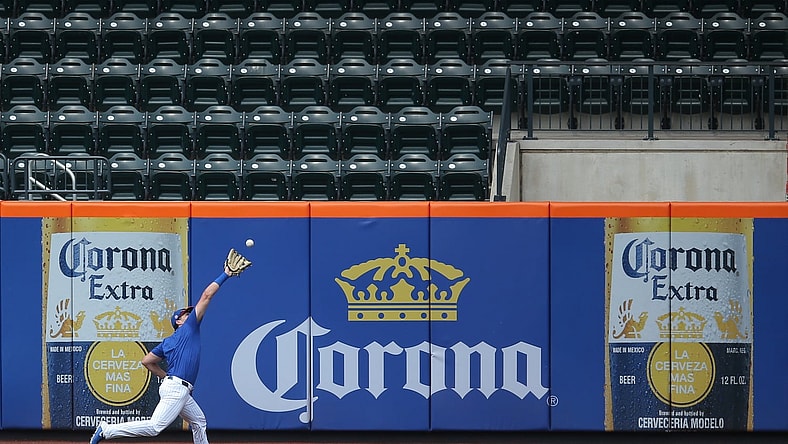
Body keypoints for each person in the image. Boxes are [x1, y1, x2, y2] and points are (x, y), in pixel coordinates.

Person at [90, 263, 237, 444]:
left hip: (177, 387)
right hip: (177, 389)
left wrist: (166, 376)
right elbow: (207, 295)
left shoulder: (168, 342)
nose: (191, 314)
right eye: (186, 314)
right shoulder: (188, 328)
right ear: (179, 322)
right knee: (155, 427)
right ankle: (107, 430)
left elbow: (147, 361)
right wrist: (225, 274)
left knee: (199, 421)